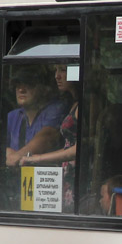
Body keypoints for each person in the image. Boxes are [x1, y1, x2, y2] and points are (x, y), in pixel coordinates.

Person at [0, 68, 64, 167]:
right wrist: (8, 153)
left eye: (29, 85)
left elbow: (47, 137)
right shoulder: (13, 116)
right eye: (17, 85)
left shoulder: (56, 109)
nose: (21, 90)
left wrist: (19, 156)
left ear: (44, 89)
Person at [25, 65, 79, 210]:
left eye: (63, 70)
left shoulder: (86, 105)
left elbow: (78, 148)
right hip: (68, 171)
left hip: (77, 174)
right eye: (55, 70)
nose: (57, 76)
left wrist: (38, 158)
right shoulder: (72, 104)